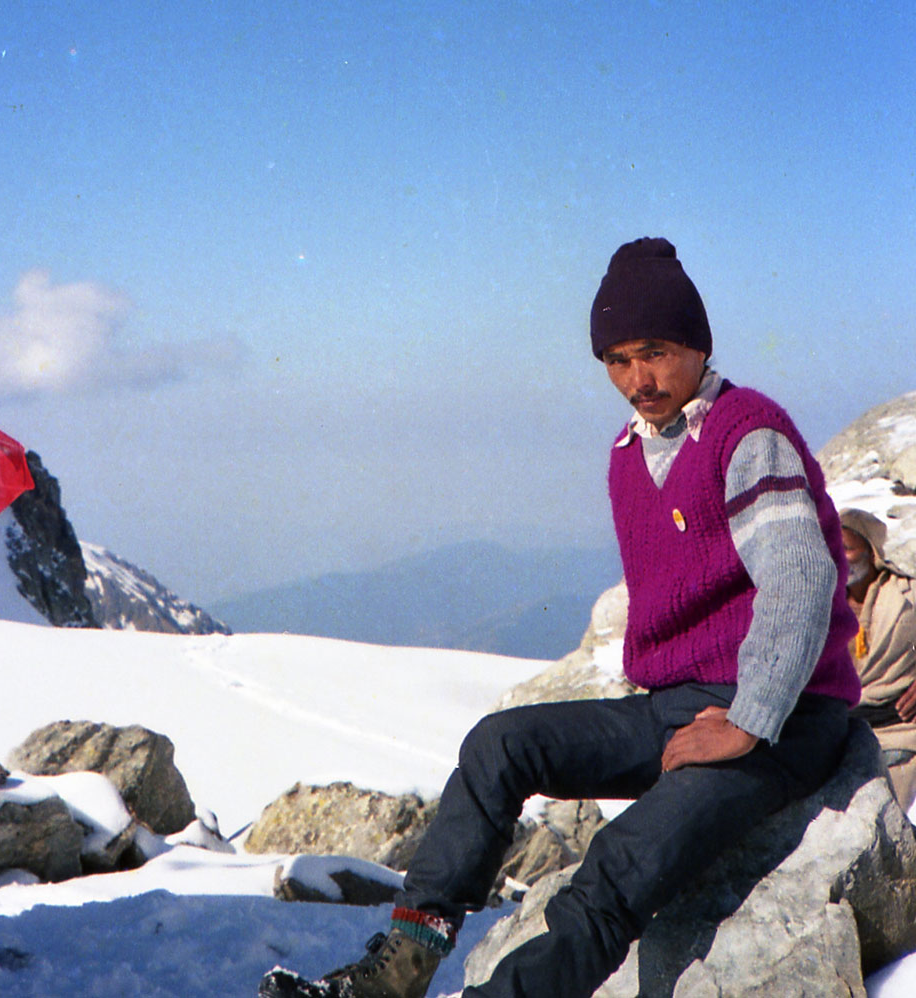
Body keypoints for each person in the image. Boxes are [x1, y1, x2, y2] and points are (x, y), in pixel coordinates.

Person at [258, 237, 861, 998]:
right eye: (615, 360)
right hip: (678, 707)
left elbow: (801, 580)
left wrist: (750, 717)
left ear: (697, 345)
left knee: (619, 865)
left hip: (784, 720)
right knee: (498, 745)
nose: (637, 380)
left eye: (654, 352)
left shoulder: (746, 433)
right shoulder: (628, 453)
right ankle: (401, 968)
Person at [840, 507, 916, 811]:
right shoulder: (821, 601)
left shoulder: (907, 596)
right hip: (837, 733)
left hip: (899, 732)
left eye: (846, 548)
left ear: (871, 552)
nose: (836, 554)